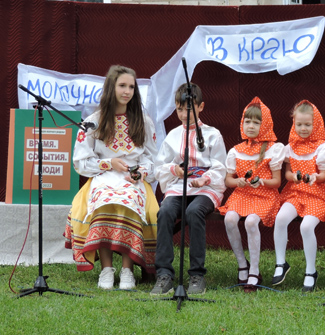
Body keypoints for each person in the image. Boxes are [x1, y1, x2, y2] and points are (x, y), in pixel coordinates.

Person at [64, 65, 159, 290]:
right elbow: (80, 162)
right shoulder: (94, 121)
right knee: (103, 201)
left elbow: (154, 160)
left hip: (132, 180)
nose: (127, 91)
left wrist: (140, 173)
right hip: (103, 177)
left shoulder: (143, 121)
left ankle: (127, 270)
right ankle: (106, 269)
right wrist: (109, 163)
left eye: (131, 87)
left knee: (131, 202)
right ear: (111, 87)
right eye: (122, 86)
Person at [150, 83, 227, 295]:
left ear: (201, 107)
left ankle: (196, 275)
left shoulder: (212, 134)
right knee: (165, 212)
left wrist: (205, 179)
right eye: (180, 109)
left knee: (194, 212)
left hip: (206, 189)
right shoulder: (173, 136)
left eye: (189, 108)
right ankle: (164, 274)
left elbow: (221, 165)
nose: (184, 114)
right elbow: (160, 167)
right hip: (178, 187)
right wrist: (174, 169)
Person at [218, 97, 285, 293]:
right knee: (229, 219)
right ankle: (242, 264)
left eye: (257, 122)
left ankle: (254, 271)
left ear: (265, 125)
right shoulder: (236, 151)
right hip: (242, 194)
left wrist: (262, 182)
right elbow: (228, 180)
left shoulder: (273, 149)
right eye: (247, 121)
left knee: (250, 222)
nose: (251, 126)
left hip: (265, 195)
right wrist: (236, 181)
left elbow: (277, 182)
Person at [271, 100, 325, 292]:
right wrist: (295, 177)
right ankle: (281, 263)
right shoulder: (291, 147)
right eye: (299, 124)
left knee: (306, 226)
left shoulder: (322, 148)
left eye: (308, 125)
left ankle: (310, 270)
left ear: (316, 125)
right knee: (281, 218)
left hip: (317, 193)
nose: (303, 128)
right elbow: (288, 174)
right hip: (296, 192)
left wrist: (315, 177)